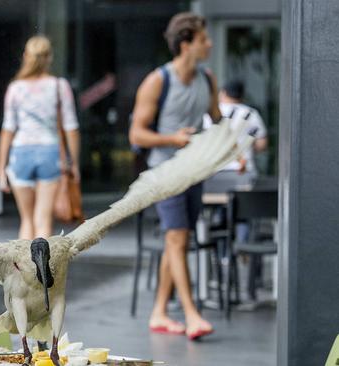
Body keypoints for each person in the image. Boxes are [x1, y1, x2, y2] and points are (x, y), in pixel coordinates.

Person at [129, 12, 221, 340]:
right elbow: (137, 134)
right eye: (203, 39)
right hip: (165, 171)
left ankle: (159, 313)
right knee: (177, 238)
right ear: (186, 44)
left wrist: (225, 143)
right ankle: (192, 314)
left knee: (176, 240)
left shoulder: (207, 79)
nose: (209, 44)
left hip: (194, 170)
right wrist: (172, 139)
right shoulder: (157, 81)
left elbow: (217, 120)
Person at [0, 35, 80, 240]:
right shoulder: (59, 86)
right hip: (49, 152)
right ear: (49, 57)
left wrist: (1, 167)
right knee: (42, 220)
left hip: (21, 153)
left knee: (26, 220)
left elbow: (8, 129)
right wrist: (74, 163)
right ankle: (42, 271)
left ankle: (24, 271)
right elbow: (71, 127)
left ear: (26, 56)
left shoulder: (15, 88)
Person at [203, 79, 268, 179]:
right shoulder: (251, 113)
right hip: (243, 169)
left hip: (215, 169)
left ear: (223, 93)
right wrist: (247, 149)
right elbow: (261, 144)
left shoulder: (211, 113)